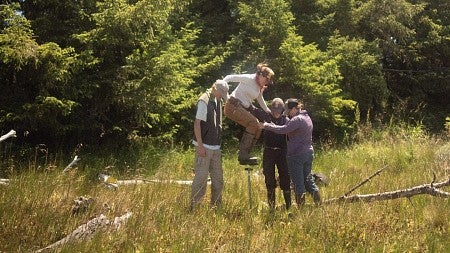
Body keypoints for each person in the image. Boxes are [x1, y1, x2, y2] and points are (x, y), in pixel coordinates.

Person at [262, 98, 321, 206]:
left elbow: (283, 130)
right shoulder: (307, 117)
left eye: (289, 111)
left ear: (294, 108)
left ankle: (301, 211)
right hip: (308, 153)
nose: (288, 113)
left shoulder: (297, 119)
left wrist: (267, 126)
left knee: (298, 184)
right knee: (308, 181)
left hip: (297, 155)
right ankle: (319, 205)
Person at [223, 63, 275, 165]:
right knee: (253, 123)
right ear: (261, 75)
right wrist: (224, 93)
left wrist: (268, 112)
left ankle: (246, 154)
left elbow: (260, 99)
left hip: (242, 108)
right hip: (233, 106)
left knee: (259, 127)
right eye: (266, 79)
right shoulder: (249, 78)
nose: (267, 82)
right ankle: (242, 155)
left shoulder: (259, 86)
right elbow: (229, 77)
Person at [190, 80, 229, 210]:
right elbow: (197, 123)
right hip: (204, 146)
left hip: (215, 147)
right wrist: (200, 146)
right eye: (221, 93)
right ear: (215, 89)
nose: (222, 96)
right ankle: (194, 208)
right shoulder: (204, 100)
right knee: (200, 180)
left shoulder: (219, 100)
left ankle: (216, 207)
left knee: (218, 180)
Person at [261, 98, 292, 210]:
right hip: (269, 151)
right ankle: (271, 208)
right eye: (274, 111)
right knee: (269, 178)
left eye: (278, 111)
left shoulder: (287, 120)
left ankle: (289, 207)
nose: (276, 113)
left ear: (282, 110)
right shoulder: (267, 118)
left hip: (282, 152)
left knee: (285, 177)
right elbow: (254, 110)